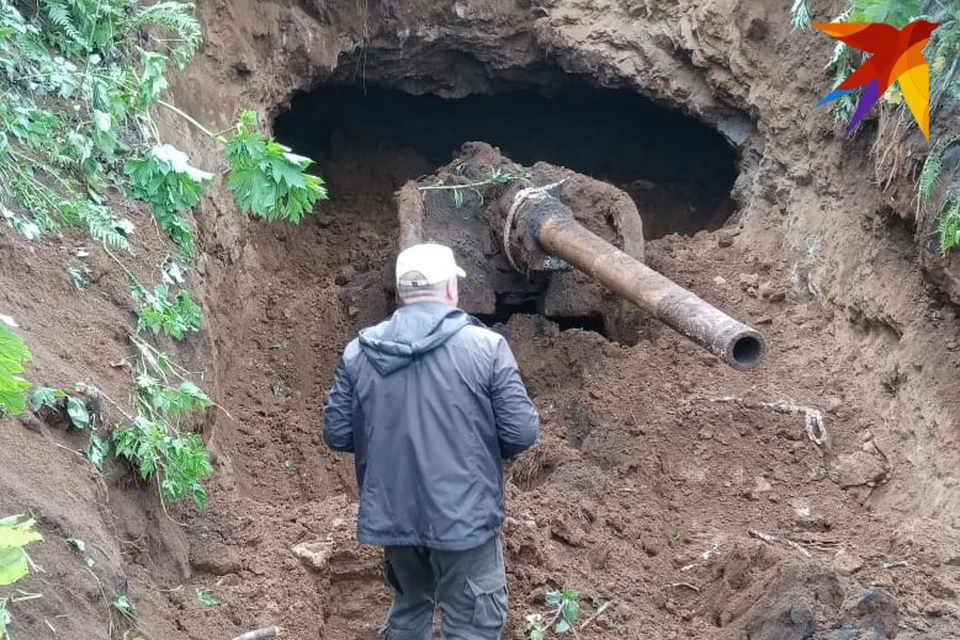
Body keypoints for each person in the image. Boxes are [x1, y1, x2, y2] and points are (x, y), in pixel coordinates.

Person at [322, 242, 539, 639]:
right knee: (474, 620)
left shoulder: (358, 353)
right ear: (452, 290)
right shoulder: (486, 348)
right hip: (466, 516)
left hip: (393, 514)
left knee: (410, 606)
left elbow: (336, 434)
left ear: (402, 293)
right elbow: (521, 432)